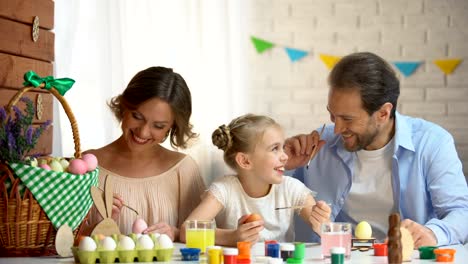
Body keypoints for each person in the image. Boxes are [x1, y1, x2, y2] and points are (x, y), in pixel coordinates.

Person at [284, 52, 468, 247]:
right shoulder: (318, 147)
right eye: (332, 115)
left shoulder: (432, 143)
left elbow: (461, 212)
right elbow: (271, 200)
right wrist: (281, 163)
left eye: (347, 119)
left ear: (383, 113)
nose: (337, 129)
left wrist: (433, 233)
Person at [83, 66, 206, 241]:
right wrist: (99, 226)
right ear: (124, 107)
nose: (143, 132)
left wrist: (176, 233)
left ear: (172, 127)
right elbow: (61, 242)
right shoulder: (88, 166)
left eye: (158, 126)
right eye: (137, 116)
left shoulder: (183, 170)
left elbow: (206, 240)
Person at [180, 114, 331, 246]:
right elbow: (186, 231)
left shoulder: (291, 189)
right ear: (245, 161)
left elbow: (329, 233)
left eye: (283, 147)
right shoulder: (224, 190)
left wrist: (323, 224)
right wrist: (232, 237)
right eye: (275, 149)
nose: (285, 156)